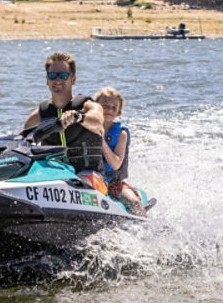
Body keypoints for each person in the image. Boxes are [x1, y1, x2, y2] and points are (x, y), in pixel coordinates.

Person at [22, 52, 104, 172]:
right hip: (55, 179)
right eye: (53, 75)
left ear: (73, 79)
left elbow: (98, 121)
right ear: (47, 80)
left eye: (63, 76)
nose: (58, 80)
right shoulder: (39, 115)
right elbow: (20, 142)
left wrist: (78, 117)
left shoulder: (87, 106)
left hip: (90, 178)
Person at [94, 87, 145, 216]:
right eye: (105, 106)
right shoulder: (87, 128)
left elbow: (116, 164)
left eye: (114, 107)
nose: (109, 110)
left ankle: (148, 229)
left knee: (135, 203)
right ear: (96, 107)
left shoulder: (121, 133)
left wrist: (101, 141)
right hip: (92, 179)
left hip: (113, 184)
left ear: (118, 111)